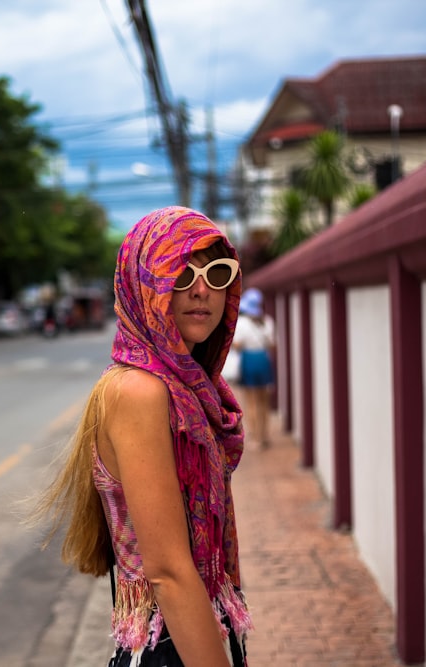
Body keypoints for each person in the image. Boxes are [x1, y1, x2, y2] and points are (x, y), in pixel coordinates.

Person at [34, 206, 252, 666]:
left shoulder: (193, 388)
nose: (200, 289)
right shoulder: (139, 389)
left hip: (196, 634)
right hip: (171, 648)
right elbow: (169, 571)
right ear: (143, 285)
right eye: (178, 273)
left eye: (216, 273)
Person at [231, 288, 275, 449]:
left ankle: (255, 437)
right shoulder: (267, 321)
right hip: (263, 360)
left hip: (249, 360)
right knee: (264, 401)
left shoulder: (242, 323)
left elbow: (237, 345)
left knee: (251, 402)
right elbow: (272, 344)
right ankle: (265, 435)